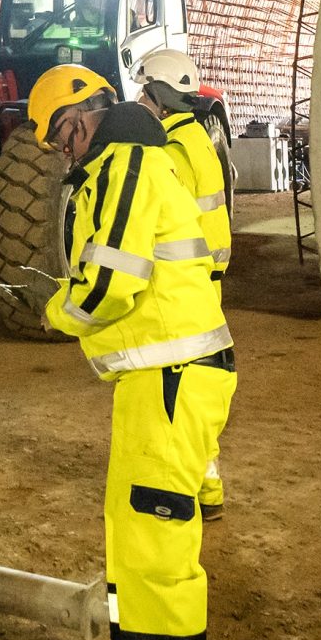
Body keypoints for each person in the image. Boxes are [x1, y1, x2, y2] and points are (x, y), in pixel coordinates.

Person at [15, 65, 234, 640]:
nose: (58, 153)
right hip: (160, 380)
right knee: (136, 543)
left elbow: (110, 283)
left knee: (155, 556)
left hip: (170, 379)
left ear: (81, 118)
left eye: (56, 138)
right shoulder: (130, 158)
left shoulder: (123, 162)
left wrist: (51, 311)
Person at [135, 48, 233, 523]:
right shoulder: (198, 138)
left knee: (182, 398)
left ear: (160, 95)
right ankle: (208, 489)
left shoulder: (171, 152)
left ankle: (193, 491)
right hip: (207, 275)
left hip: (187, 281)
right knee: (198, 394)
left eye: (145, 92)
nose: (141, 100)